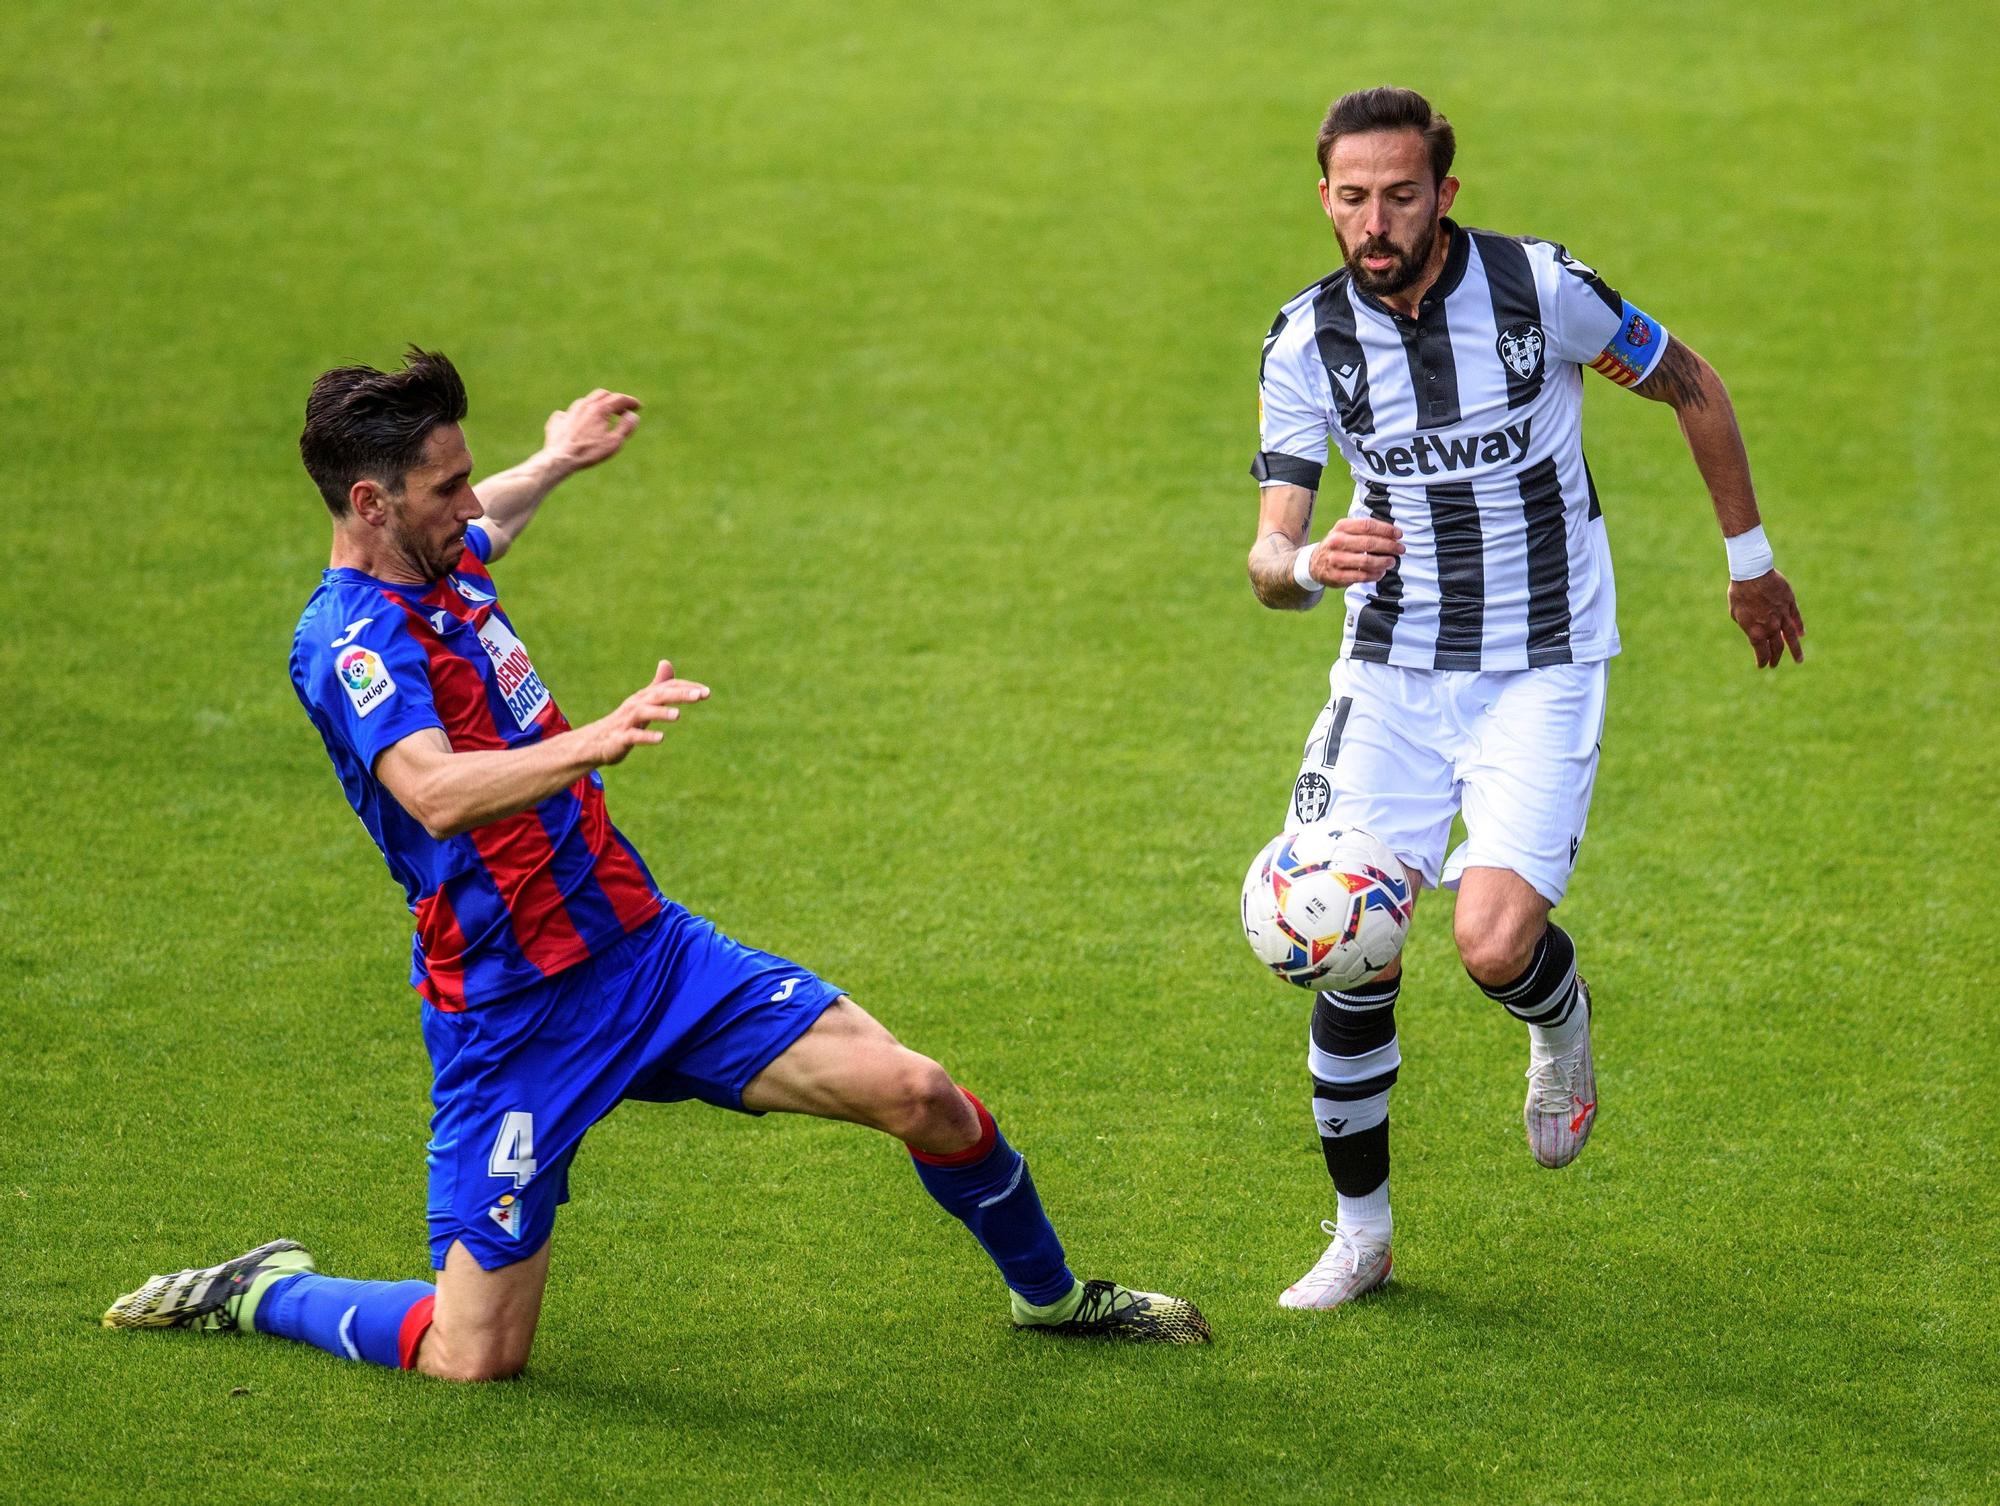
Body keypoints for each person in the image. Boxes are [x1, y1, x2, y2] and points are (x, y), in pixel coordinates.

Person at [102, 350, 1209, 1375]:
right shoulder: (352, 638)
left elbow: (499, 524)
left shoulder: (442, 563)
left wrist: (559, 460)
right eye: (447, 489)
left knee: (920, 1094)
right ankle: (263, 1291)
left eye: (470, 475)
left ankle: (1054, 1300)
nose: (473, 503)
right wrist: (593, 737)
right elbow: (432, 794)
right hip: (511, 1015)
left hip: (647, 957)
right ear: (368, 504)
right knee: (471, 1356)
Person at [1246, 88, 1803, 1309]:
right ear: (1325, 199)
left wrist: (1747, 564)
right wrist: (1302, 565)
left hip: (1540, 664)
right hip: (1388, 676)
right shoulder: (1305, 345)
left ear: (1444, 194)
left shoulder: (1538, 291)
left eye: (1399, 194)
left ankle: (1557, 1022)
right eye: (1352, 197)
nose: (1374, 219)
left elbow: (1689, 383)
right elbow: (1267, 560)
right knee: (1345, 943)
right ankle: (1362, 1236)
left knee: (1492, 946)